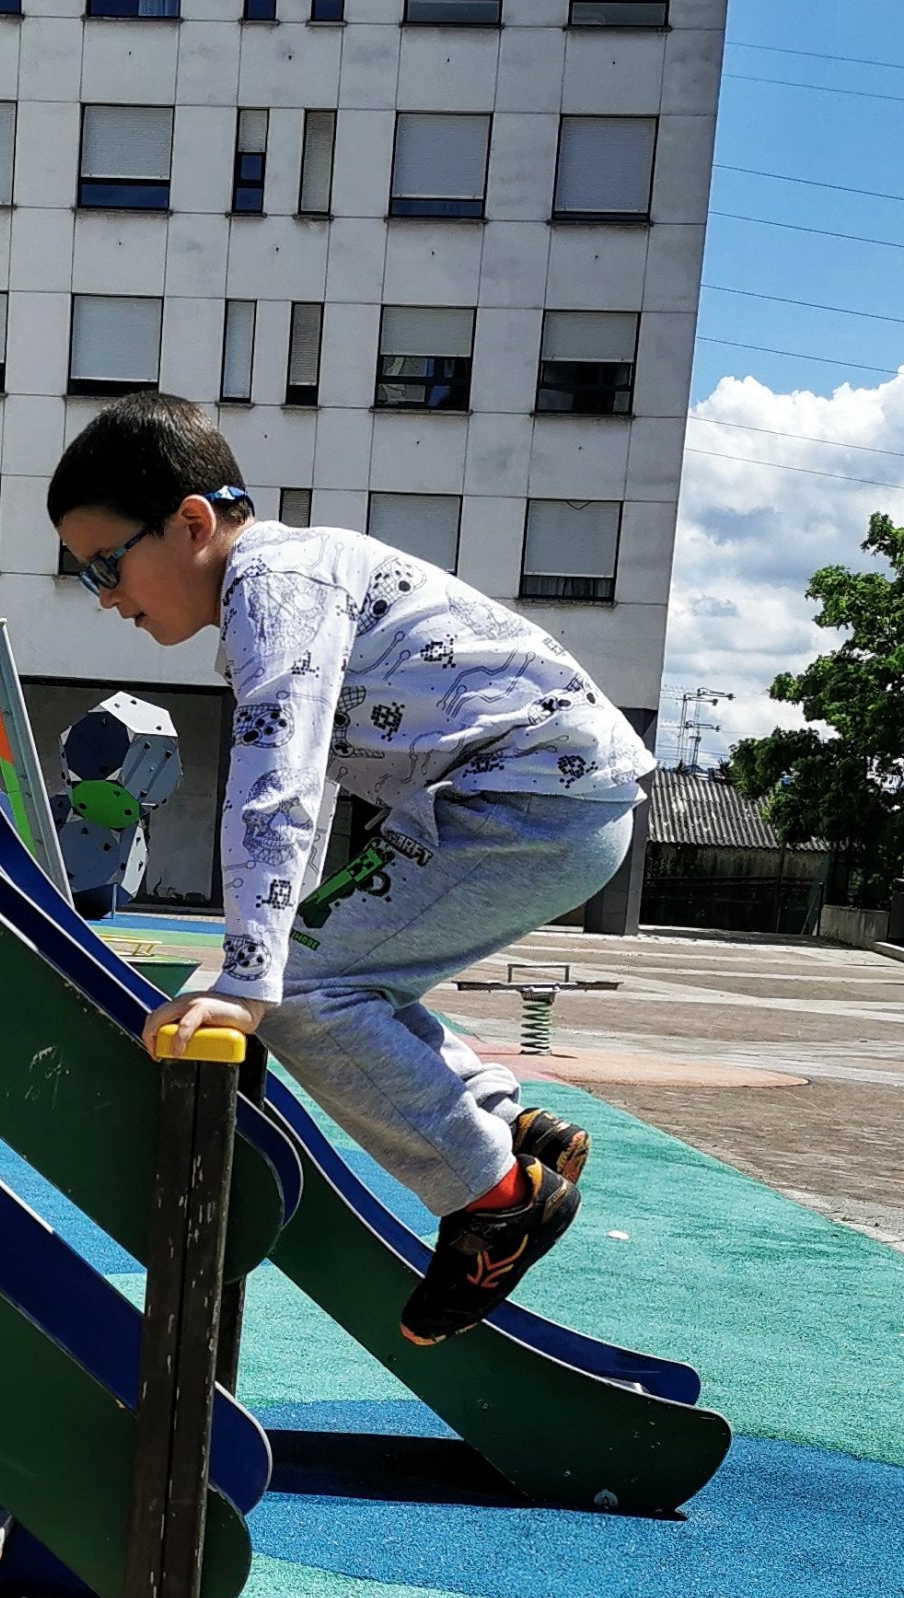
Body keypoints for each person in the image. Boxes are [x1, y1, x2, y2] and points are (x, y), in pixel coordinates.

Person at [47, 392, 653, 1345]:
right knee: (325, 969)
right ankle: (509, 1129)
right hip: (528, 793)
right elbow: (314, 792)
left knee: (301, 994)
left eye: (106, 567)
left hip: (533, 798)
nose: (107, 598)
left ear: (193, 523)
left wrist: (250, 981)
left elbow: (275, 790)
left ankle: (497, 1197)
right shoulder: (286, 584)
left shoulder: (275, 591)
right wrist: (263, 955)